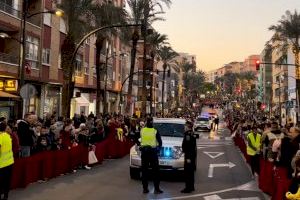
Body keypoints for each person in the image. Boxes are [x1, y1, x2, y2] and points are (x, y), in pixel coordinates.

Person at [139, 117, 163, 194]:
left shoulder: (142, 130)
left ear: (146, 122)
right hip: (152, 153)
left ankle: (145, 189)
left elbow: (138, 139)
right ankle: (156, 189)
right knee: (155, 171)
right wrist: (158, 149)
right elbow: (160, 142)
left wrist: (141, 146)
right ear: (152, 123)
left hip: (144, 153)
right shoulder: (155, 131)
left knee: (144, 171)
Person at [181, 120, 197, 193]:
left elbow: (188, 146)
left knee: (188, 172)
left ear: (188, 127)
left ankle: (188, 188)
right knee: (191, 172)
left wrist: (188, 158)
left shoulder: (187, 134)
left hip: (188, 156)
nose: (184, 127)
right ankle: (192, 186)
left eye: (185, 126)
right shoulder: (192, 133)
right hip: (192, 155)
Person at [0, 121, 14, 200]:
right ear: (5, 128)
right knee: (7, 180)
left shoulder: (0, 137)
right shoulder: (8, 136)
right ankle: (6, 196)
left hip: (1, 163)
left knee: (1, 181)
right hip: (10, 161)